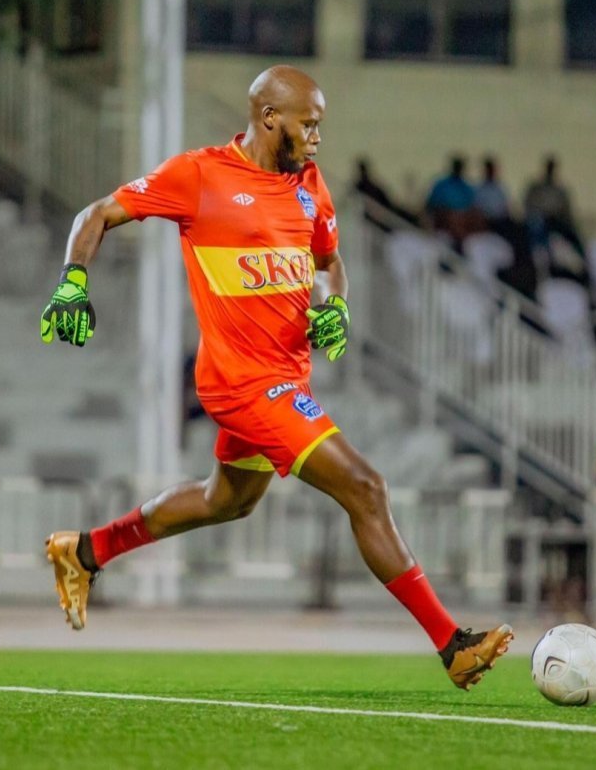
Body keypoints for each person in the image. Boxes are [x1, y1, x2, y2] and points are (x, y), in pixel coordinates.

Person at [40, 65, 513, 690]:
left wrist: (335, 304)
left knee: (226, 501)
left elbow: (330, 262)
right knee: (366, 488)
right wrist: (73, 281)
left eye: (320, 126)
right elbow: (96, 213)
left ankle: (86, 551)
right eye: (308, 125)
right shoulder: (200, 175)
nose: (317, 138)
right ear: (269, 119)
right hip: (242, 383)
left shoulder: (308, 185)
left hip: (287, 378)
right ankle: (452, 644)